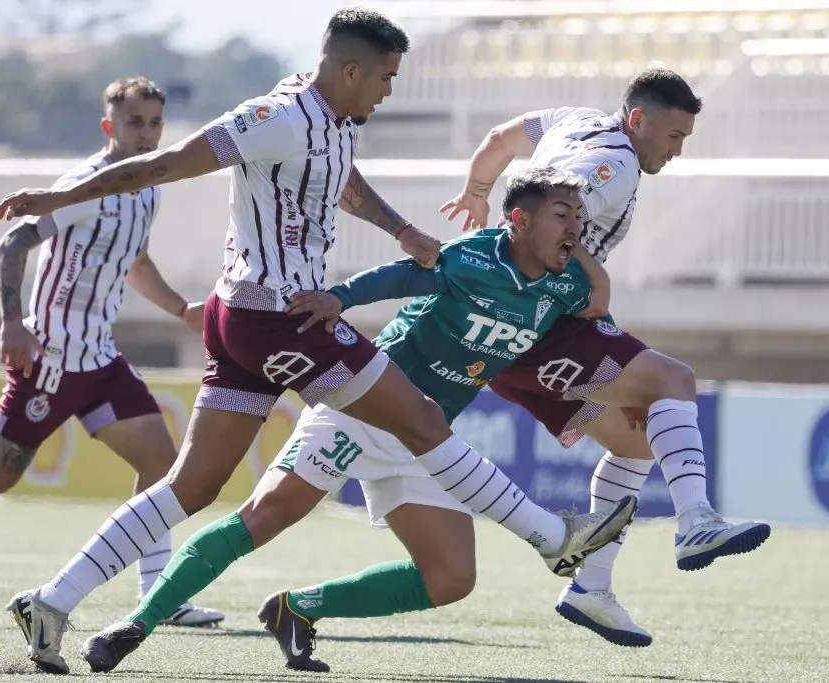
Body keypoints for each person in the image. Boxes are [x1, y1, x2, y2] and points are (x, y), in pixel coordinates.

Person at [0, 8, 629, 674]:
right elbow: (172, 163)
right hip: (276, 318)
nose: (387, 92)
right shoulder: (278, 116)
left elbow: (341, 184)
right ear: (349, 70)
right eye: (384, 77)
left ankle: (51, 599)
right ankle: (553, 535)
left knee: (192, 485)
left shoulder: (334, 122)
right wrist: (54, 198)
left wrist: (401, 228)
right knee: (419, 415)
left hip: (249, 320)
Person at [77, 167, 637, 673]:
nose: (577, 229)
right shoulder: (474, 258)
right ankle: (137, 622)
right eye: (563, 215)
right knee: (265, 516)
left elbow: (586, 325)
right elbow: (401, 275)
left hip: (428, 438)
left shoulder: (565, 287)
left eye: (581, 219)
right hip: (366, 406)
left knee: (450, 580)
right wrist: (338, 298)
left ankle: (297, 609)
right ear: (519, 219)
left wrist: (617, 389)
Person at [438, 68, 771, 646]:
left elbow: (498, 140)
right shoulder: (612, 165)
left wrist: (476, 190)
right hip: (537, 320)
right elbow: (555, 216)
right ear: (637, 119)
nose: (676, 151)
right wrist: (599, 277)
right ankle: (696, 521)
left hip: (512, 326)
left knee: (637, 439)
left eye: (685, 139)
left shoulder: (572, 120)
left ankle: (590, 587)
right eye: (672, 136)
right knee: (674, 380)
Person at [0, 76, 224, 674]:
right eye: (135, 123)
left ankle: (157, 596)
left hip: (101, 359)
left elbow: (134, 260)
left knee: (164, 465)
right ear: (109, 127)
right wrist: (14, 323)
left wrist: (181, 310)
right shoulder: (86, 188)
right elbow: (14, 242)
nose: (147, 133)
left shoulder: (147, 188)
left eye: (155, 124)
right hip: (50, 362)